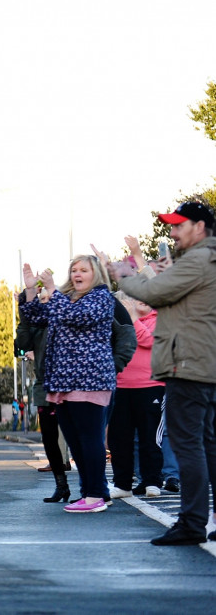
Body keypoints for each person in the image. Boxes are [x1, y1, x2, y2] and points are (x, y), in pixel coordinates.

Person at [109, 201, 216, 545]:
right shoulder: (205, 260)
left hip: (188, 365)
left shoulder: (200, 260)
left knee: (188, 445)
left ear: (199, 227)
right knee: (207, 444)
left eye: (178, 226)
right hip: (204, 364)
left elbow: (153, 293)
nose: (172, 232)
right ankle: (200, 520)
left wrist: (123, 275)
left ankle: (192, 523)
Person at [20, 256, 116, 513]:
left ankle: (94, 494)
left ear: (95, 274)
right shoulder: (67, 298)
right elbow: (35, 317)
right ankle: (95, 492)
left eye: (84, 269)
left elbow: (77, 317)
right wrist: (31, 289)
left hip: (90, 379)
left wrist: (52, 291)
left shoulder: (101, 297)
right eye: (74, 270)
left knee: (89, 438)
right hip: (62, 381)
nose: (77, 274)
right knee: (75, 441)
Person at [16, 290, 72, 502]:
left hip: (70, 384)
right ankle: (61, 486)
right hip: (44, 386)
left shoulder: (66, 313)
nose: (44, 300)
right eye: (40, 298)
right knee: (49, 439)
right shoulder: (36, 321)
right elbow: (22, 343)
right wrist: (24, 312)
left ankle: (91, 487)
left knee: (76, 437)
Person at [108, 291, 165, 500]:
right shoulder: (119, 320)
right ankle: (122, 484)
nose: (139, 299)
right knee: (119, 439)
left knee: (150, 437)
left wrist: (131, 317)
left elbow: (147, 340)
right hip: (121, 386)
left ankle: (152, 481)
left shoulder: (160, 319)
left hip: (151, 385)